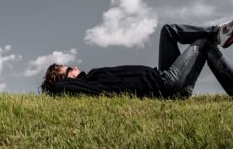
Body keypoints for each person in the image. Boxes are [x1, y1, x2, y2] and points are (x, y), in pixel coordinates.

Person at [40, 20, 233, 98]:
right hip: (165, 86)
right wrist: (57, 82)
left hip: (161, 74)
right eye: (69, 69)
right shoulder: (85, 87)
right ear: (66, 79)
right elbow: (58, 88)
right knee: (203, 43)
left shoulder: (91, 77)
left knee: (168, 31)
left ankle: (217, 33)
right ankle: (216, 36)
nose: (74, 66)